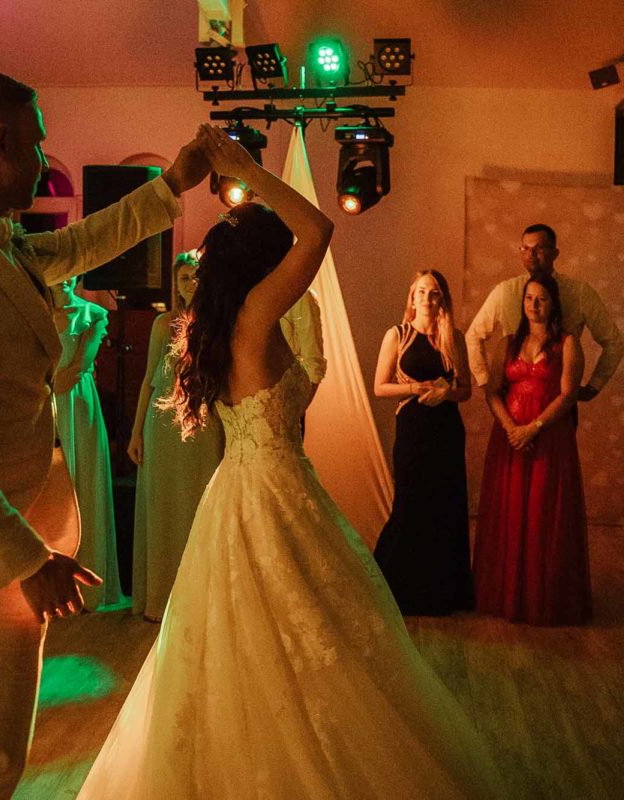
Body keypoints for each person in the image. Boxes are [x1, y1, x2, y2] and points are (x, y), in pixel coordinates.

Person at [78, 124, 502, 799]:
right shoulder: (252, 315)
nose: (289, 266)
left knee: (258, 645)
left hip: (244, 492)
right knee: (298, 644)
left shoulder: (223, 324)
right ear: (261, 267)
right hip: (271, 494)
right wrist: (248, 169)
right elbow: (319, 229)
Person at [0, 70, 208, 798]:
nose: (39, 162)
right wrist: (28, 560)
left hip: (7, 551)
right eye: (36, 146)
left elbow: (83, 244)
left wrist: (173, 183)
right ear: (2, 142)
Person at [472, 272, 591, 626]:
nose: (534, 305)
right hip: (509, 439)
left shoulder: (568, 343)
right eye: (528, 299)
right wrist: (511, 427)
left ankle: (542, 598)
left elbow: (568, 394)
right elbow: (492, 389)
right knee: (509, 513)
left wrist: (533, 428)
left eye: (541, 299)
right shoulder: (508, 342)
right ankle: (506, 594)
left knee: (543, 514)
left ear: (553, 303)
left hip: (548, 439)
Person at [128, 252, 224, 622]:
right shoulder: (163, 324)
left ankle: (200, 599)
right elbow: (148, 380)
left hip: (203, 420)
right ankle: (161, 598)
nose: (190, 284)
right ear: (176, 284)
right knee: (164, 507)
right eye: (183, 278)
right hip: (162, 423)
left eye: (196, 277)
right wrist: (136, 431)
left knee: (199, 506)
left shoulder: (219, 324)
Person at [372, 270, 474, 616]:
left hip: (445, 430)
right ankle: (393, 588)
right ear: (412, 297)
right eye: (422, 292)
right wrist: (414, 389)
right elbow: (380, 387)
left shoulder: (454, 337)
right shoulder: (397, 335)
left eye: (434, 293)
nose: (428, 299)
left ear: (441, 299)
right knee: (410, 504)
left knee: (444, 506)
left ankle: (442, 593)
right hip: (413, 429)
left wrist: (448, 393)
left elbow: (466, 390)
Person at [466, 223, 622, 408]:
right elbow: (473, 336)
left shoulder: (579, 292)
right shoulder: (505, 292)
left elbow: (613, 342)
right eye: (525, 248)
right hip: (513, 399)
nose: (531, 254)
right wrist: (486, 382)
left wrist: (594, 386)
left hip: (559, 400)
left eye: (539, 248)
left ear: (555, 253)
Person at [51, 277, 121, 612]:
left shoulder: (92, 314)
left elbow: (77, 366)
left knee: (82, 484)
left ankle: (84, 586)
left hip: (76, 404)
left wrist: (65, 376)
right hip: (43, 402)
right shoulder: (34, 313)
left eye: (71, 274)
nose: (65, 280)